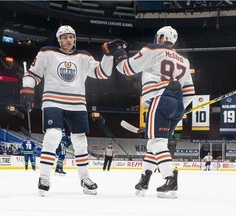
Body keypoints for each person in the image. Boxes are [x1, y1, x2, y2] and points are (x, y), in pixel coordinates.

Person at [20, 25, 125, 196]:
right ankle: (44, 177)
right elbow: (32, 74)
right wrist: (27, 90)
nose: (69, 40)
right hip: (53, 100)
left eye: (71, 37)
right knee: (53, 136)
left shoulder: (84, 56)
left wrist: (107, 55)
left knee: (81, 142)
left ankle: (85, 179)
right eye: (65, 37)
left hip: (77, 103)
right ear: (59, 39)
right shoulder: (46, 52)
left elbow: (103, 73)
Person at [115, 26, 195, 198]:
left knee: (157, 142)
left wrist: (120, 53)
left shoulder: (153, 49)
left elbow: (125, 69)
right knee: (154, 144)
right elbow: (189, 92)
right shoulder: (184, 61)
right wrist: (179, 111)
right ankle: (145, 179)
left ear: (160, 37)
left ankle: (170, 178)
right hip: (177, 102)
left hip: (160, 98)